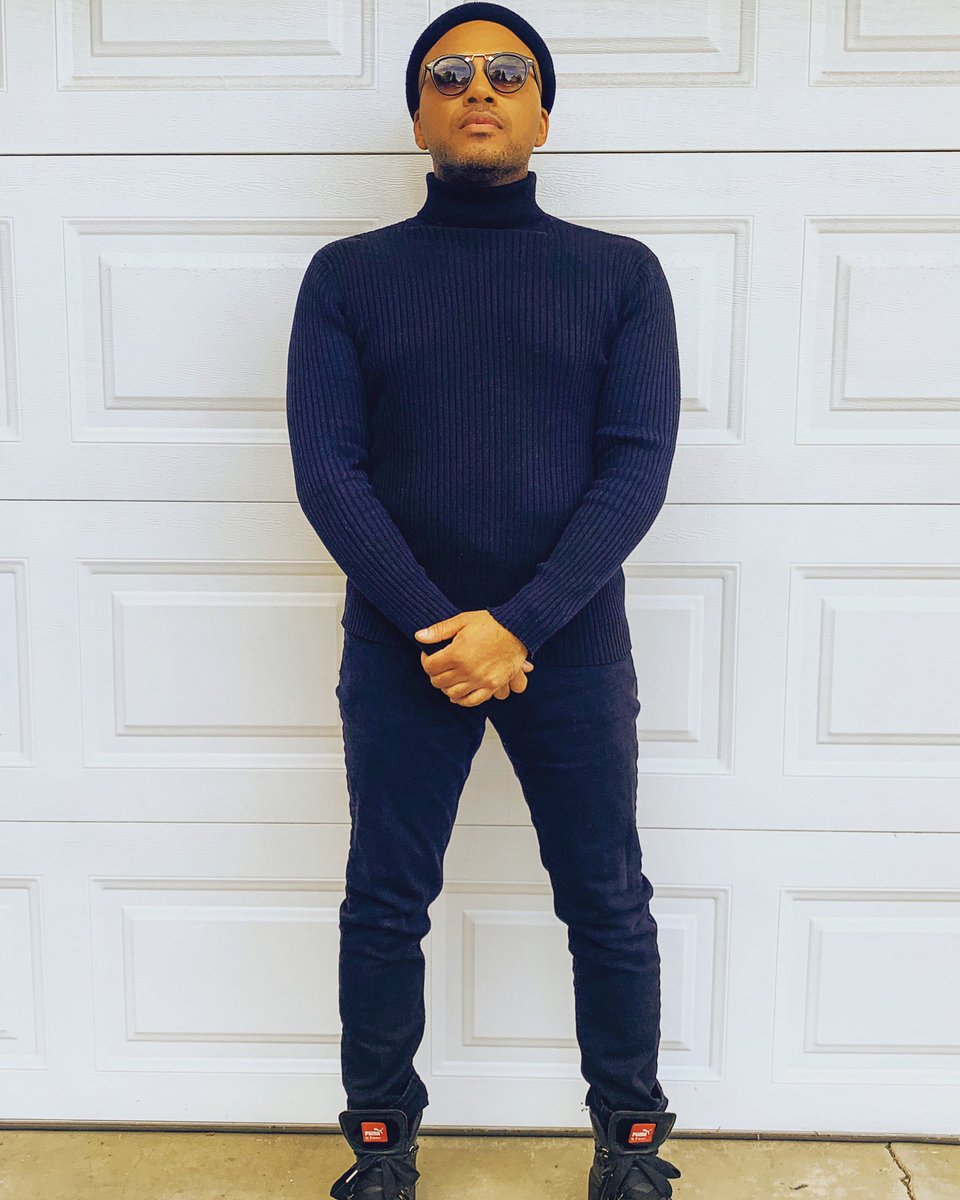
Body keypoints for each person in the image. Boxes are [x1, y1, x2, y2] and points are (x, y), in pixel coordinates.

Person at [285, 4, 684, 1196]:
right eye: (449, 73)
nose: (478, 89)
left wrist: (520, 625)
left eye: (509, 73)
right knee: (385, 902)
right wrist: (439, 625)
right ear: (418, 115)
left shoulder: (620, 274)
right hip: (402, 645)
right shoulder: (348, 277)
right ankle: (380, 1144)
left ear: (542, 116)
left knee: (606, 900)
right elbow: (328, 470)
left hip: (569, 644)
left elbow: (636, 466)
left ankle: (631, 1142)